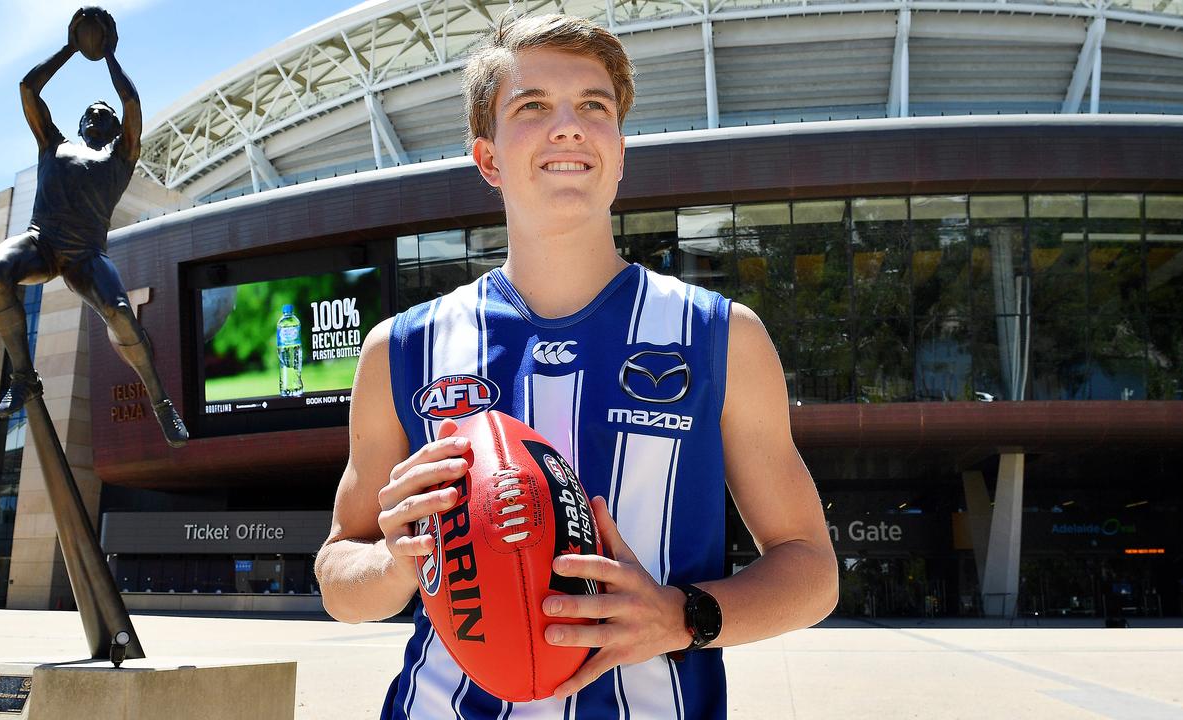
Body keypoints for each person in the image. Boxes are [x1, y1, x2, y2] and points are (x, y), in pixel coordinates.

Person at [315, 13, 837, 718]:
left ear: (618, 151)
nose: (569, 126)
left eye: (594, 106)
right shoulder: (401, 348)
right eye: (532, 108)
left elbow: (810, 567)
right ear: (489, 158)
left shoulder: (720, 335)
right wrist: (396, 563)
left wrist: (683, 618)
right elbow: (338, 568)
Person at [0, 7, 187, 448]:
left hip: (86, 256)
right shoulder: (54, 144)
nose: (97, 114)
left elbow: (131, 103)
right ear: (78, 125)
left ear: (114, 129)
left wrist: (108, 55)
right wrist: (72, 48)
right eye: (90, 112)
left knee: (122, 317)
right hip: (42, 243)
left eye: (104, 114)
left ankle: (162, 402)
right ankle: (24, 377)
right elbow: (27, 88)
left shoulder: (120, 158)